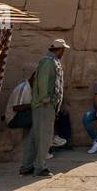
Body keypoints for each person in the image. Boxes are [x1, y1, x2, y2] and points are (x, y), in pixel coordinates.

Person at [19, 38, 66, 176]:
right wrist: (48, 100)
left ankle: (26, 167)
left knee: (34, 137)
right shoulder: (48, 62)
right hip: (44, 106)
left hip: (44, 105)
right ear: (59, 50)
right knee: (44, 138)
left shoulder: (51, 61)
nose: (63, 52)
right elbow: (43, 82)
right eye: (63, 50)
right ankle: (40, 167)